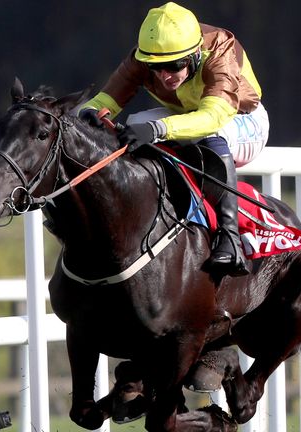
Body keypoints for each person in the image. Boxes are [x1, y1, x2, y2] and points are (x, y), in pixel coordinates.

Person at [79, 2, 269, 277]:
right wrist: (88, 115)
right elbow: (104, 101)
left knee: (206, 133)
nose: (164, 75)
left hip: (241, 118)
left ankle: (230, 238)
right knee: (133, 125)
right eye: (155, 67)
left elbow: (214, 115)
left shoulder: (220, 50)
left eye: (174, 65)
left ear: (195, 54)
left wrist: (158, 130)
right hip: (187, 115)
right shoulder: (143, 58)